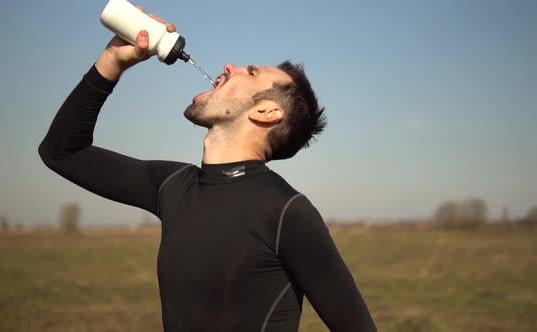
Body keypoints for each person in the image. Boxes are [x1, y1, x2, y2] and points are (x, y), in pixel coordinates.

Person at [38, 6, 376, 332]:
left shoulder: (288, 213)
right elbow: (62, 152)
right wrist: (112, 61)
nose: (229, 66)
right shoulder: (172, 185)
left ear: (267, 112)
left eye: (251, 72)